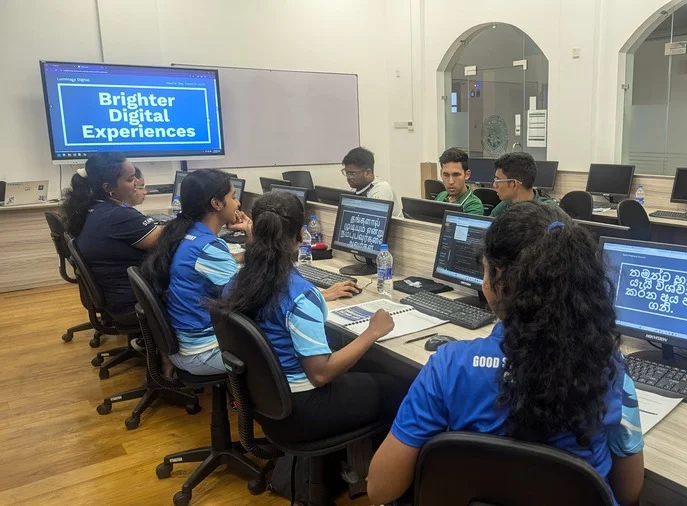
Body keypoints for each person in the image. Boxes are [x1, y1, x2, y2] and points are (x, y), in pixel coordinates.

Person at [367, 202, 645, 506]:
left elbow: (381, 489)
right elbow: (628, 492)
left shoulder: (448, 366)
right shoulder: (609, 369)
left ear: (496, 279)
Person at [210, 192, 406, 442]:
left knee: (371, 367)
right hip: (302, 409)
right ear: (299, 239)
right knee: (404, 386)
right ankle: (361, 474)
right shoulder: (300, 296)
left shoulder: (238, 281)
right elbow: (321, 374)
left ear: (254, 232)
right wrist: (373, 332)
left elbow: (276, 310)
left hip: (266, 402)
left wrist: (319, 298)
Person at [141, 169, 255, 374]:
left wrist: (248, 237)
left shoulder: (186, 234)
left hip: (184, 344)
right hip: (202, 352)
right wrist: (252, 234)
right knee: (282, 346)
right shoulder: (208, 248)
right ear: (216, 203)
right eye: (234, 197)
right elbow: (251, 295)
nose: (238, 204)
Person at [63, 153, 162, 319]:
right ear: (108, 188)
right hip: (134, 301)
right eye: (130, 179)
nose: (137, 183)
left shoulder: (93, 210)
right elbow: (163, 239)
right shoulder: (115, 216)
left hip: (116, 295)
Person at [489, 152, 557, 217]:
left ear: (514, 184)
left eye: (498, 180)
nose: (494, 185)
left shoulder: (548, 211)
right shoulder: (505, 205)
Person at [432, 147, 484, 215]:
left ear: (467, 175)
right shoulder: (442, 195)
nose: (451, 182)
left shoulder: (474, 206)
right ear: (441, 174)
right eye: (446, 175)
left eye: (456, 175)